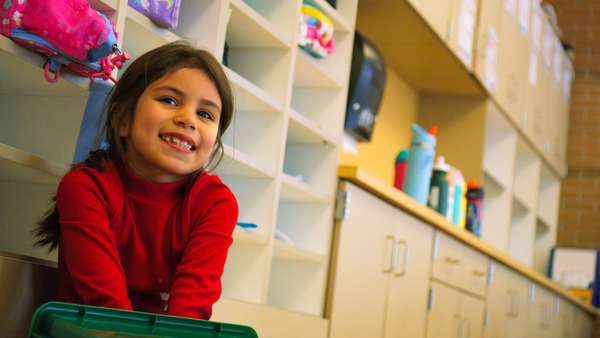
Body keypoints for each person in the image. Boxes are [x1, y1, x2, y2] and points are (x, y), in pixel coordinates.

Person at [32, 40, 237, 320]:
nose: (188, 119)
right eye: (169, 100)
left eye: (205, 114)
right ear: (122, 118)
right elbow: (107, 307)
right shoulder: (85, 188)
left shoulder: (215, 202)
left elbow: (190, 310)